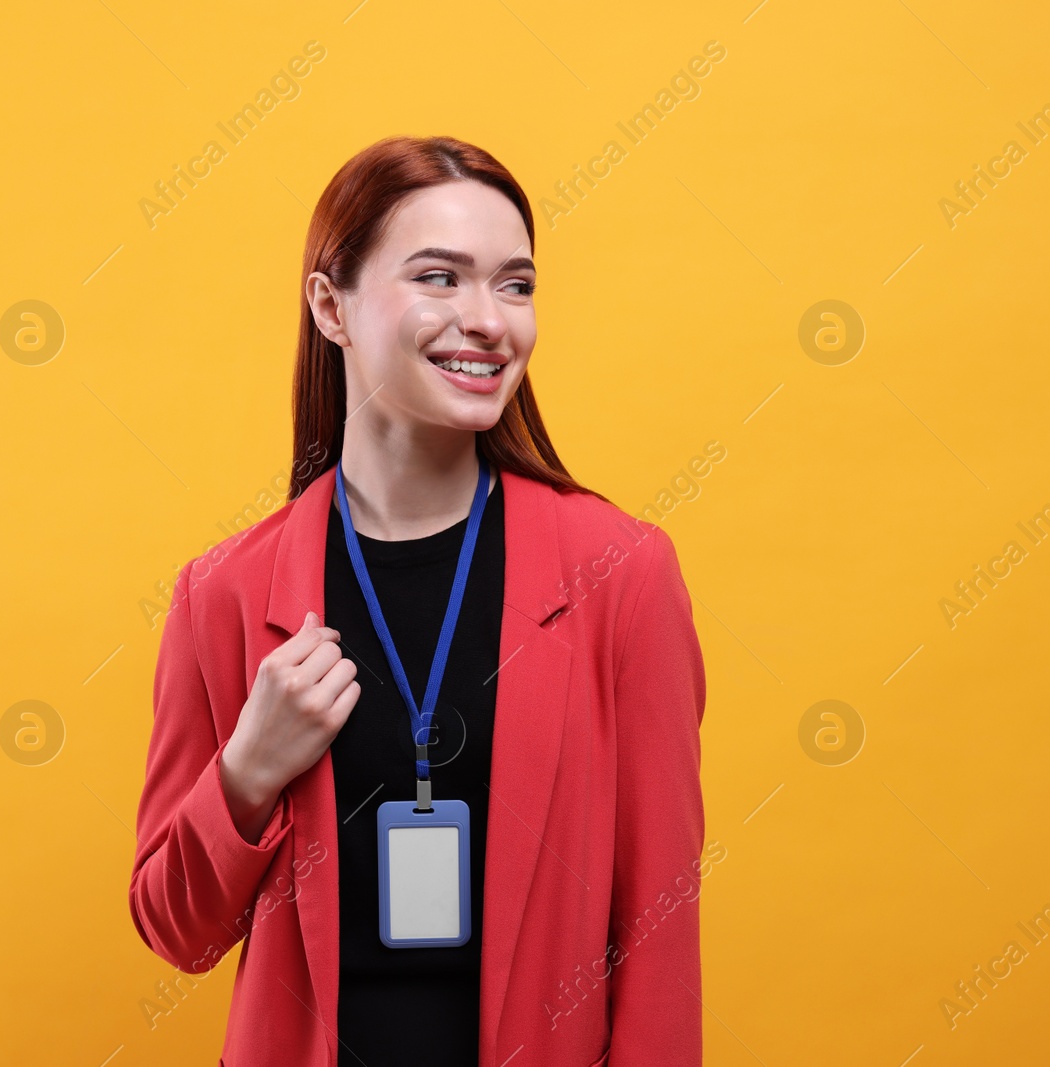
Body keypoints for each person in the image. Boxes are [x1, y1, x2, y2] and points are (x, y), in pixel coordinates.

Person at [128, 135, 708, 1067]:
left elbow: (659, 920)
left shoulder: (620, 572)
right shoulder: (225, 593)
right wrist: (245, 770)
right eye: (441, 277)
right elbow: (177, 931)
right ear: (331, 306)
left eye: (515, 285)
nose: (488, 320)